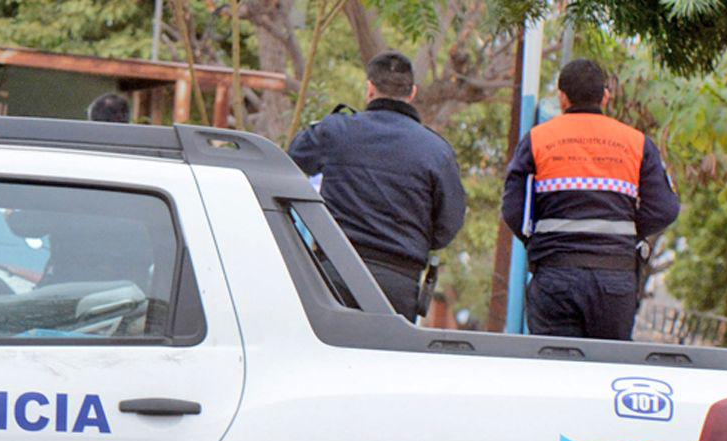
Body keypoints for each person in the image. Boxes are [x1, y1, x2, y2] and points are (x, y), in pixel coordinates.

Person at [501, 59, 680, 340]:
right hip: (614, 280)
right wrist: (626, 233)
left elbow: (513, 209)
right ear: (605, 97)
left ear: (562, 98)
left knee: (555, 363)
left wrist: (539, 240)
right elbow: (665, 209)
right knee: (607, 364)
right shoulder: (637, 143)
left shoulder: (537, 140)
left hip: (555, 276)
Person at [288, 51, 466, 318]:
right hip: (399, 283)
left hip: (335, 273)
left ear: (370, 88)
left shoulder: (337, 131)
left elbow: (293, 159)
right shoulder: (437, 151)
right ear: (412, 93)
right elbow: (449, 222)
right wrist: (415, 240)